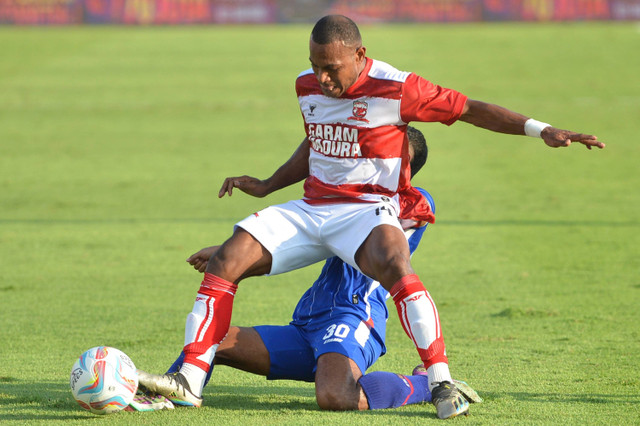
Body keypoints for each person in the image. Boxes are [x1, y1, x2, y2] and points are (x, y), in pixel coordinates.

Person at [137, 15, 604, 420]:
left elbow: (470, 109)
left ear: (360, 54)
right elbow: (318, 143)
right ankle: (188, 380)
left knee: (392, 273)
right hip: (313, 208)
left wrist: (540, 129)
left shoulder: (400, 105)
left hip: (362, 215)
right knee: (229, 257)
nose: (321, 78)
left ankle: (438, 381)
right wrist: (265, 186)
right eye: (316, 65)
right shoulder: (306, 86)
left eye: (331, 68)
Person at [149, 127, 481, 413]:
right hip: (308, 321)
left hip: (354, 317)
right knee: (210, 341)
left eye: (392, 155)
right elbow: (303, 237)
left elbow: (347, 237)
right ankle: (165, 395)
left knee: (334, 395)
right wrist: (231, 255)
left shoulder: (416, 203)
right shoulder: (347, 198)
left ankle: (425, 383)